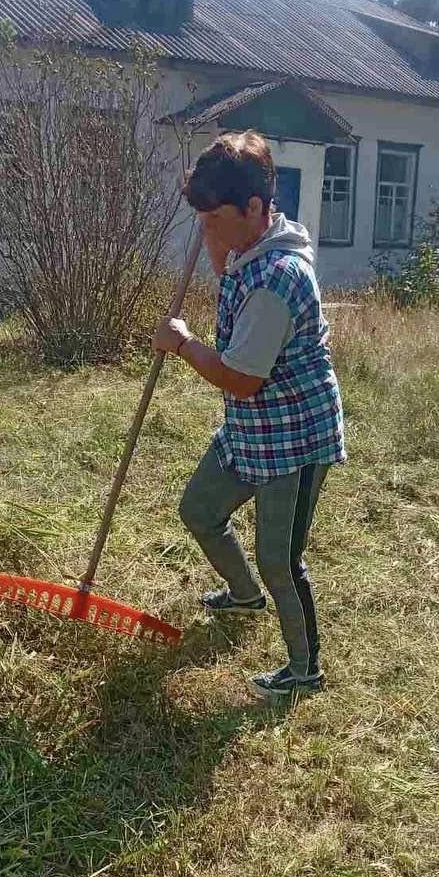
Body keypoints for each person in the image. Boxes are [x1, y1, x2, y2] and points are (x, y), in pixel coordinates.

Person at [152, 130, 347, 701]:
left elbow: (240, 378)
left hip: (294, 440)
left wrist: (183, 344)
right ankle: (243, 595)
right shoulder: (249, 247)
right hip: (252, 429)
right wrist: (215, 235)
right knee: (199, 510)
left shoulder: (278, 278)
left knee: (279, 561)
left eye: (215, 219)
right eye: (202, 220)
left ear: (255, 207)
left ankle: (304, 672)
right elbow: (228, 273)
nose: (206, 230)